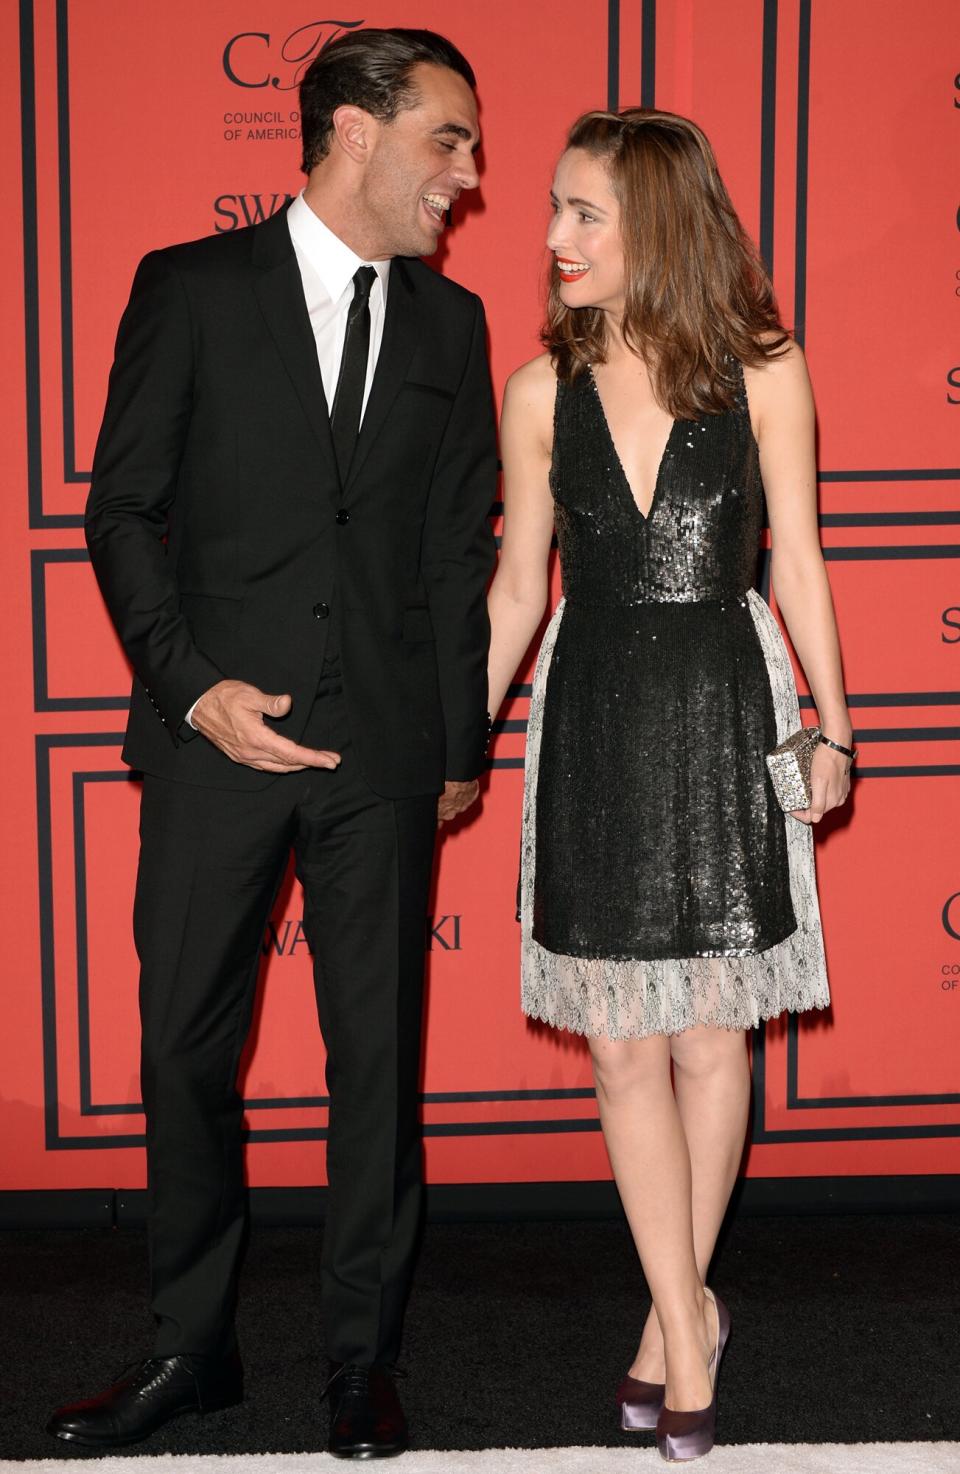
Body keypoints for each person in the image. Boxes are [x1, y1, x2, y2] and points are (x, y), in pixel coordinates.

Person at [47, 28, 494, 1461]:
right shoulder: (187, 291)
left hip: (381, 750)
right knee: (185, 1046)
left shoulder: (452, 324)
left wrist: (457, 740)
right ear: (356, 131)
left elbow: (449, 550)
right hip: (210, 744)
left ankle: (360, 1362)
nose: (469, 175)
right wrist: (190, 689)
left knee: (376, 1063)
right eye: (449, 138)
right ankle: (196, 1347)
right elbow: (122, 513)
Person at [487, 108, 853, 1463]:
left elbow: (800, 560)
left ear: (655, 220)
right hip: (594, 717)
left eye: (583, 211)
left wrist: (839, 726)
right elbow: (521, 590)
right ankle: (692, 1317)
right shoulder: (538, 391)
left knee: (711, 1037)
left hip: (722, 700)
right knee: (622, 1047)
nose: (552, 238)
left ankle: (669, 1327)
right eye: (554, 208)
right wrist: (454, 744)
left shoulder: (763, 369)